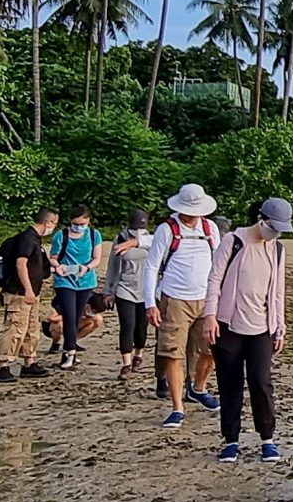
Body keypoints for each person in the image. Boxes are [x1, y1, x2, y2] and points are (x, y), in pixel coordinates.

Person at [205, 197, 293, 464]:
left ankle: (267, 438)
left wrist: (280, 326)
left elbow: (278, 291)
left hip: (261, 328)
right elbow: (214, 279)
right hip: (229, 325)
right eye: (272, 226)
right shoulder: (233, 241)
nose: (275, 232)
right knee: (230, 384)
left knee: (261, 382)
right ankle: (231, 440)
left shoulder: (277, 249)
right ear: (260, 218)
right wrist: (210, 315)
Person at [142, 183, 225, 430]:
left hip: (206, 298)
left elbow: (219, 264)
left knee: (212, 348)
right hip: (174, 298)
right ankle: (177, 407)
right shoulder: (166, 230)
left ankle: (197, 388)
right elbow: (152, 267)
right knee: (172, 352)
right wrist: (150, 303)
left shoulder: (210, 228)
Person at [0, 206, 58, 383]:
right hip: (19, 293)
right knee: (15, 329)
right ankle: (3, 366)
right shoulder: (27, 239)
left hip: (31, 293)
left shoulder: (34, 240)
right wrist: (28, 289)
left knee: (31, 329)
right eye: (54, 223)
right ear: (48, 222)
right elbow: (21, 264)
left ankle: (30, 362)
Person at [47, 206, 104, 371]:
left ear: (88, 221)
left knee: (78, 315)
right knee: (69, 316)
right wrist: (58, 267)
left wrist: (86, 268)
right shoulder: (61, 235)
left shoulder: (94, 235)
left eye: (82, 223)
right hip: (65, 280)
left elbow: (97, 258)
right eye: (75, 223)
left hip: (85, 281)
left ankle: (71, 349)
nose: (79, 226)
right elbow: (53, 258)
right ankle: (69, 352)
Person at [106, 210, 153, 387]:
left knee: (141, 328)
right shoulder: (120, 240)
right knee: (127, 325)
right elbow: (112, 266)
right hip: (125, 288)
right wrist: (108, 291)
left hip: (145, 290)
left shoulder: (151, 240)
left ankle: (138, 354)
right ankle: (126, 362)